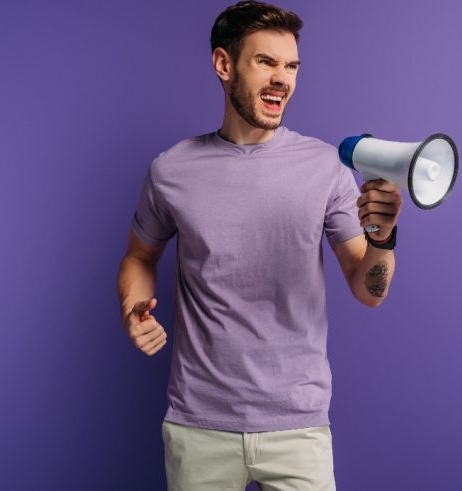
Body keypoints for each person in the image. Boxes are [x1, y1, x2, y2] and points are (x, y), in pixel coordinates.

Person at [116, 1, 402, 489]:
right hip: (198, 425)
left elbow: (368, 289)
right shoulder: (172, 169)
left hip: (299, 426)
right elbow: (141, 256)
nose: (282, 79)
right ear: (224, 65)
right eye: (265, 62)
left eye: (290, 66)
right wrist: (132, 308)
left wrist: (383, 238)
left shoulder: (326, 167)